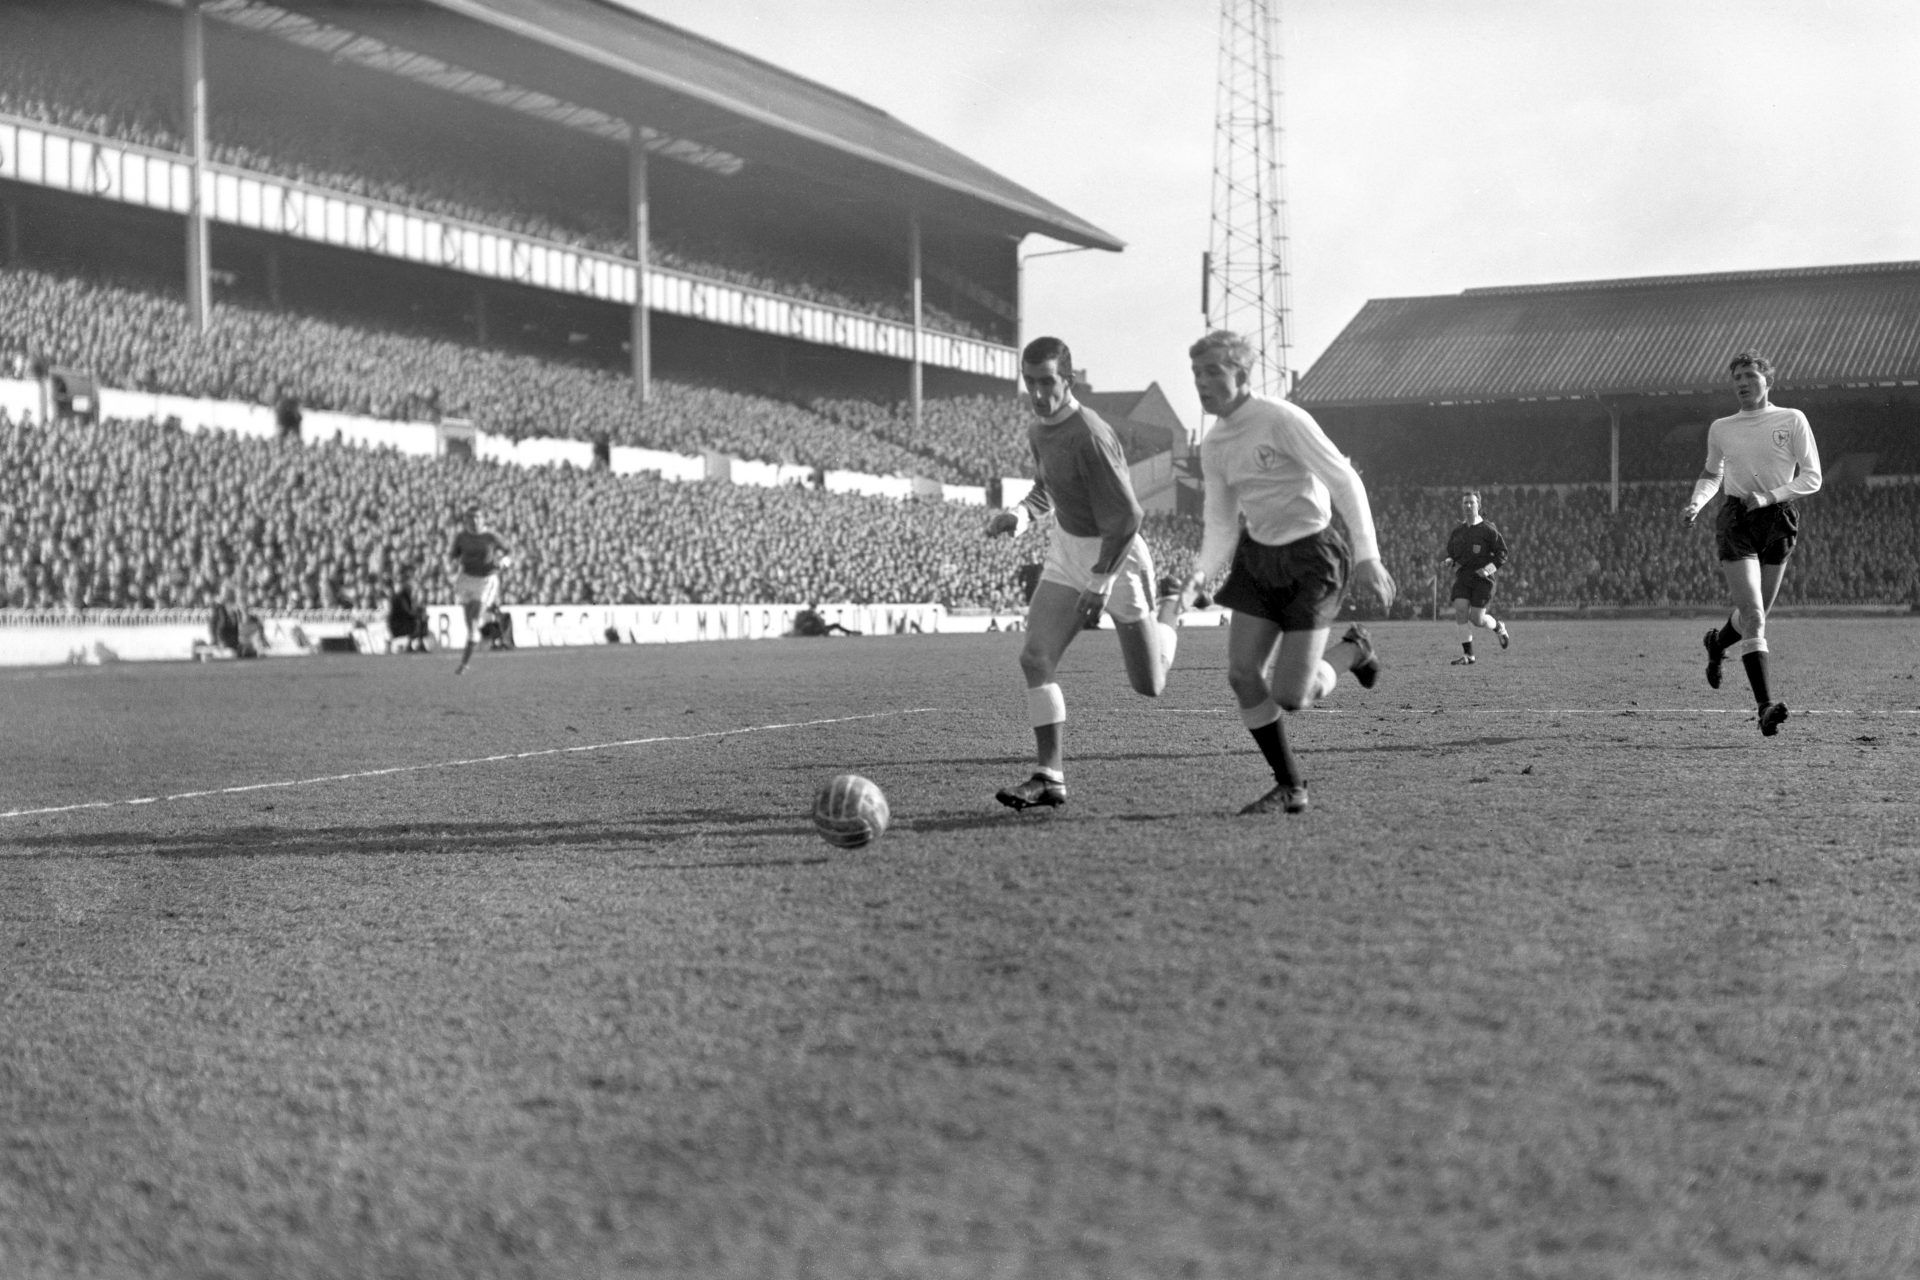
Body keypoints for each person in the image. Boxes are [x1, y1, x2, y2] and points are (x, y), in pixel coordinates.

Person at [1177, 330, 1395, 815]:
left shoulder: (1281, 419)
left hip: (1311, 558)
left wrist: (1368, 555)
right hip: (1258, 557)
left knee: (1292, 696)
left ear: (1242, 373)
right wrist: (1199, 576)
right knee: (1241, 675)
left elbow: (1343, 477)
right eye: (1196, 373)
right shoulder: (1213, 446)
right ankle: (1290, 786)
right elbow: (1219, 525)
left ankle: (1354, 650)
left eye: (1213, 370)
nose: (1202, 382)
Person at [985, 335, 1184, 810]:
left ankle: (1171, 607)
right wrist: (1019, 516)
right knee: (1035, 658)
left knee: (1149, 684)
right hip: (1067, 552)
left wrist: (1101, 581)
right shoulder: (1039, 430)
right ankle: (1049, 776)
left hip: (1117, 558)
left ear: (1068, 381)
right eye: (1029, 382)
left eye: (1046, 382)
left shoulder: (1091, 434)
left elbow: (1128, 517)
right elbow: (1046, 488)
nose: (1037, 393)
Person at [1683, 350, 1822, 736]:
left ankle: (1716, 643)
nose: (1742, 383)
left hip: (1778, 518)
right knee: (1755, 616)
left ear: (1767, 381)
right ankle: (1764, 707)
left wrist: (1769, 496)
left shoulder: (1792, 419)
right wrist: (1697, 501)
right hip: (1737, 519)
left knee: (1752, 617)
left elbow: (1812, 478)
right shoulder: (1722, 427)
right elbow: (1712, 474)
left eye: (1749, 376)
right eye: (1737, 378)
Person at [1443, 490, 1511, 664]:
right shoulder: (1458, 531)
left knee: (1477, 619)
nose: (1468, 506)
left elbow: (1502, 553)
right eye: (1465, 503)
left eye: (1471, 502)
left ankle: (1498, 627)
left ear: (1478, 505)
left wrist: (1488, 569)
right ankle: (1469, 655)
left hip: (1483, 580)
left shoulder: (1488, 529)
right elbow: (1452, 553)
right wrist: (1450, 560)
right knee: (1460, 610)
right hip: (1464, 577)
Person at [447, 505, 512, 675]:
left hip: (486, 580)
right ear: (466, 520)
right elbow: (453, 556)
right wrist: (451, 569)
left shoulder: (490, 536)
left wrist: (504, 561)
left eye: (477, 517)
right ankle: (475, 642)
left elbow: (509, 551)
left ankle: (464, 664)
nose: (474, 521)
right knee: (470, 624)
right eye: (470, 517)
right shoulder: (461, 537)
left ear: (483, 519)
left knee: (475, 616)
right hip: (466, 580)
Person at [385, 567, 431, 653]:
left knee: (421, 620)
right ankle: (413, 644)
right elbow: (408, 611)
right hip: (398, 624)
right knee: (419, 621)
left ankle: (419, 644)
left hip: (403, 621)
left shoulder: (405, 595)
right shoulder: (399, 597)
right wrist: (418, 615)